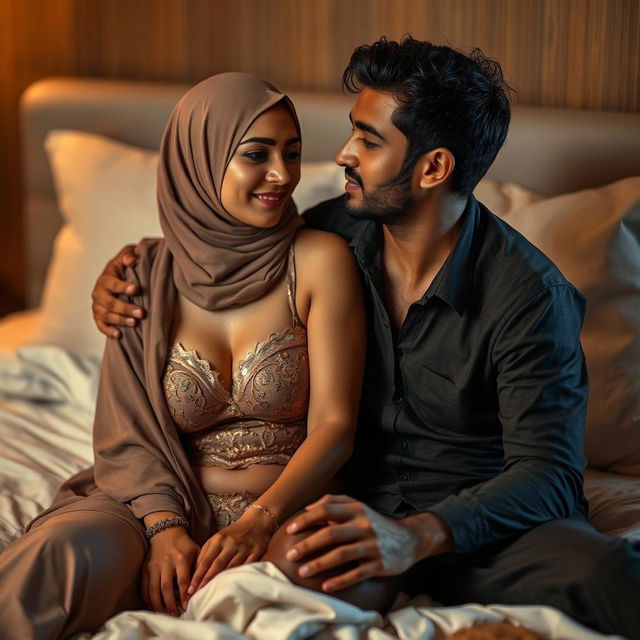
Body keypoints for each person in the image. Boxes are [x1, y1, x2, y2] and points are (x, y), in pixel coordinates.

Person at [92, 38, 640, 638]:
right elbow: (217, 252)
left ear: (433, 168)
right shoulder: (330, 234)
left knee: (613, 577)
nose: (344, 154)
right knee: (273, 592)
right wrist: (129, 272)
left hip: (490, 528)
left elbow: (551, 475)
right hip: (355, 513)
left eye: (370, 141)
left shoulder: (530, 296)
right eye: (354, 131)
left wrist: (418, 535)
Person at [0, 72, 369, 639]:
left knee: (326, 582)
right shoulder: (141, 275)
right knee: (60, 551)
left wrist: (257, 522)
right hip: (153, 505)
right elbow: (126, 433)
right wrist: (164, 530)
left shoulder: (319, 260)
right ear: (198, 158)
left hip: (278, 515)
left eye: (291, 153)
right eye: (256, 154)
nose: (281, 175)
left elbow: (335, 426)